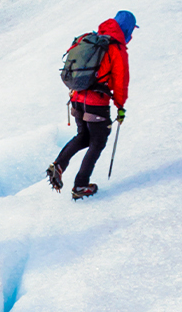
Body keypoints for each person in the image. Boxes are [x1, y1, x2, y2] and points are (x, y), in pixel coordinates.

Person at [47, 11, 133, 200]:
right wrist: (120, 106)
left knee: (83, 136)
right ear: (126, 30)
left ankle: (58, 165)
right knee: (97, 142)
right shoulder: (116, 49)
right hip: (96, 104)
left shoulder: (90, 39)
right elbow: (120, 82)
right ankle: (81, 185)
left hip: (77, 99)